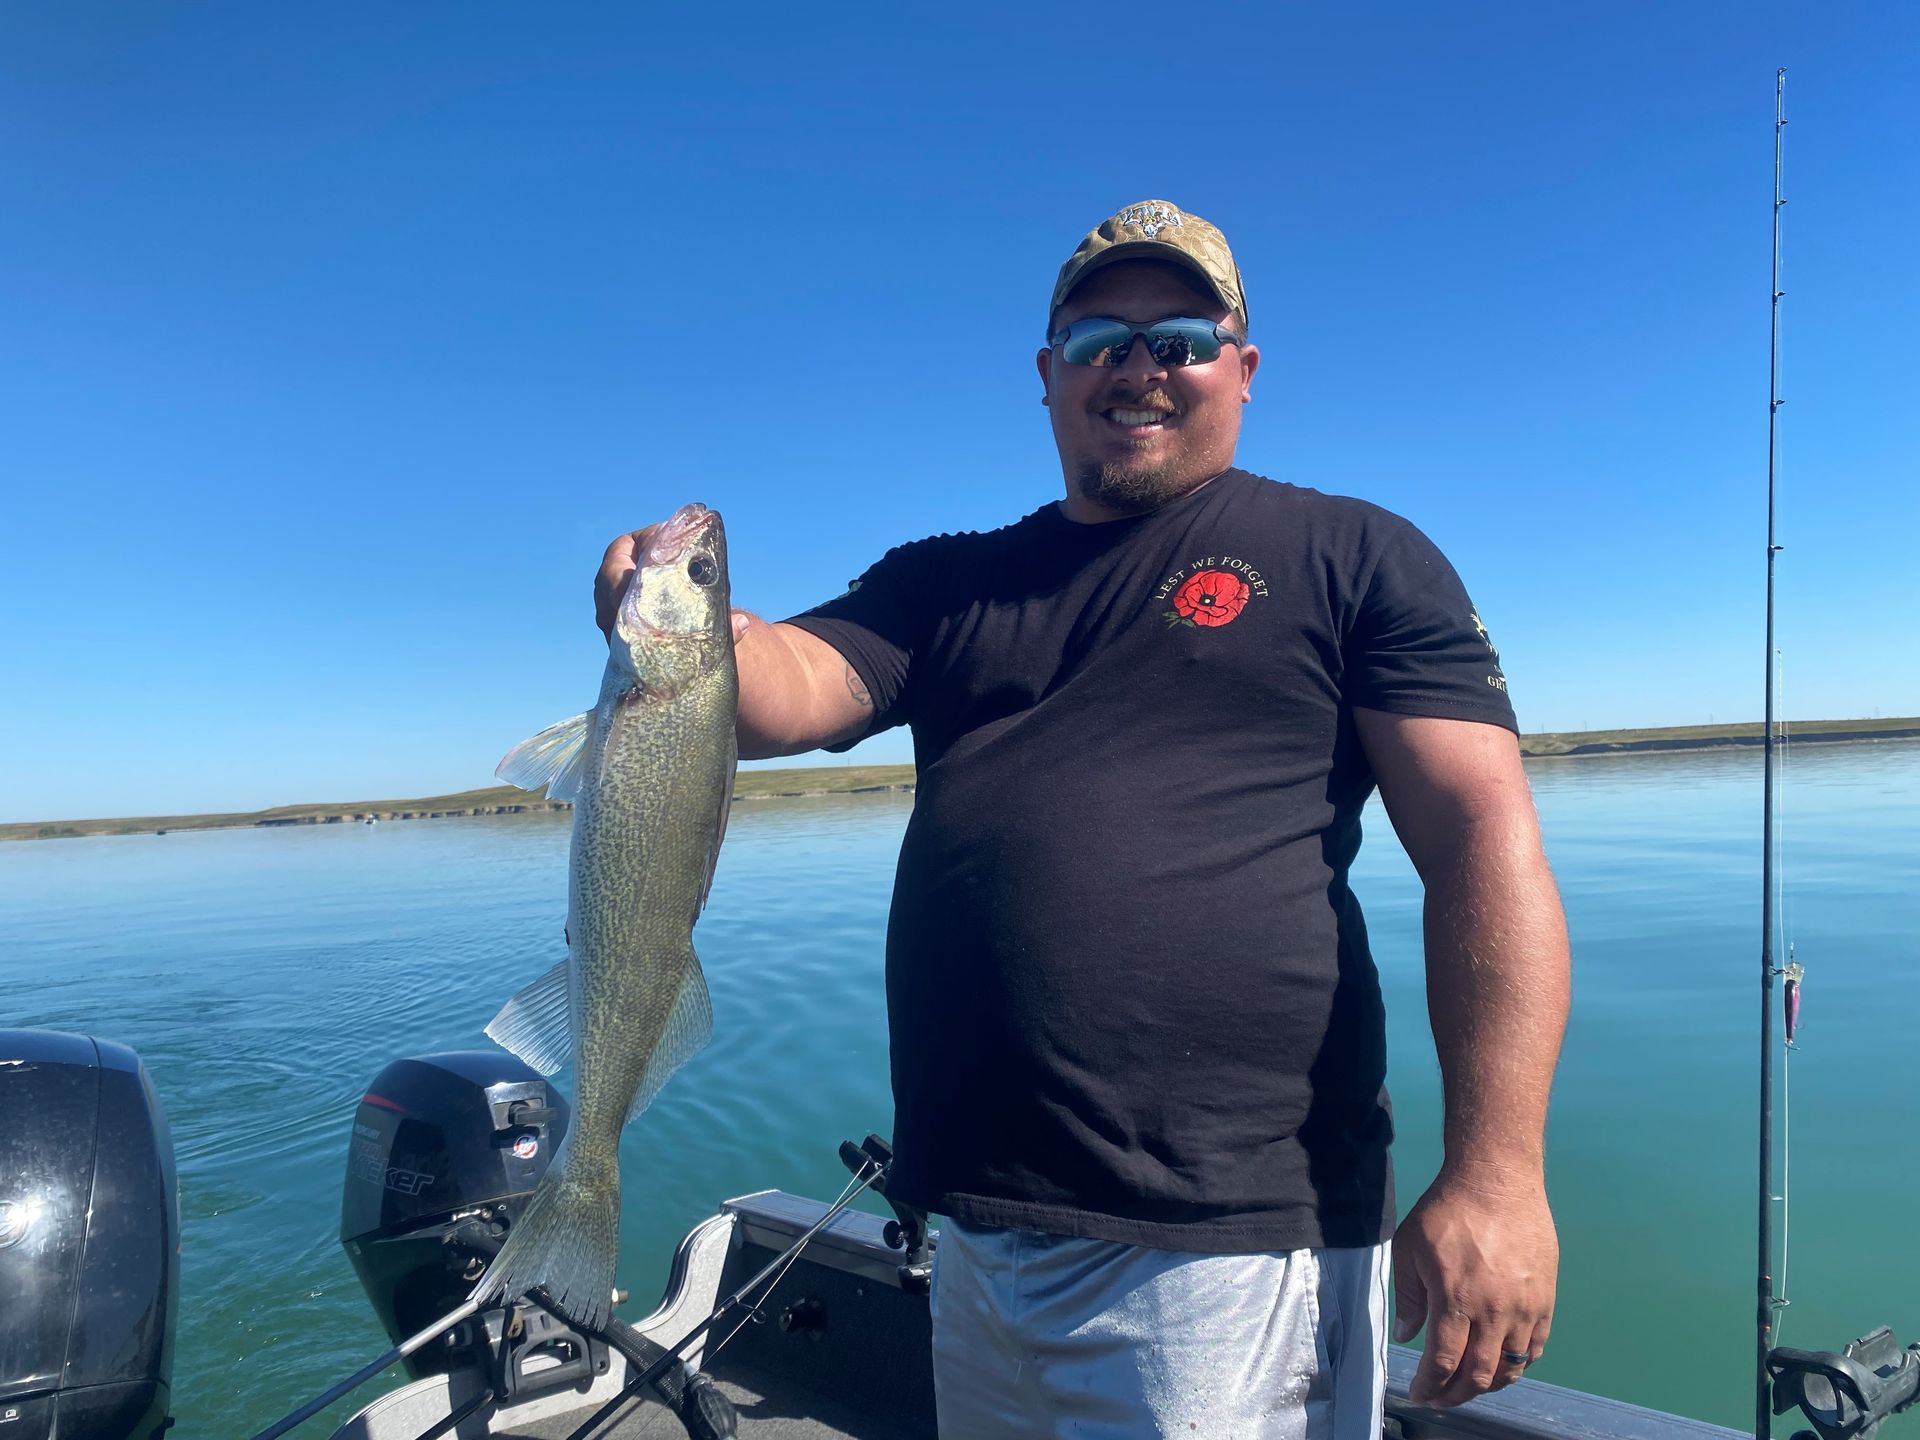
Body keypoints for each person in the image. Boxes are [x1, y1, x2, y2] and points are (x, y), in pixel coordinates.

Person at [597, 200, 1570, 1438]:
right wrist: (680, 617)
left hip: (1231, 1243)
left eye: (1180, 337)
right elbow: (781, 687)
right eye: (1100, 338)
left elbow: (1484, 838)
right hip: (978, 1228)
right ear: (1048, 377)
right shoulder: (947, 582)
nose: (1139, 367)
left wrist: (1498, 1173)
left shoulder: (1355, 555)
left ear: (1244, 367)